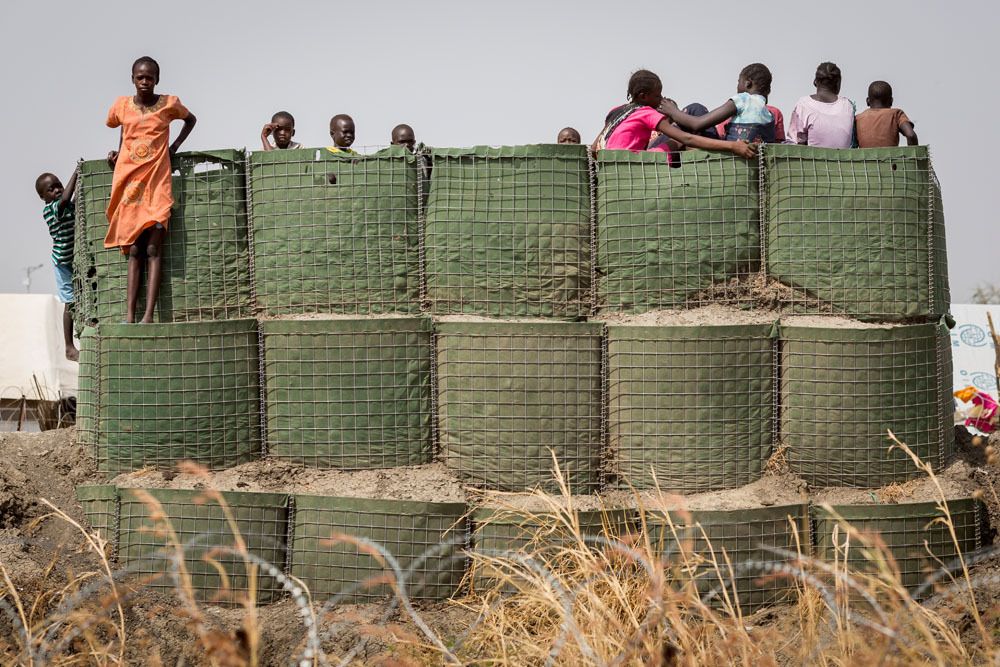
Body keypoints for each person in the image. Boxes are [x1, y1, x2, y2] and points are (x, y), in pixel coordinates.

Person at [105, 56, 196, 324]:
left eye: (150, 77)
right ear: (132, 79)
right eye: (140, 77)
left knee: (154, 249)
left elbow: (190, 120)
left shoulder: (169, 104)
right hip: (130, 183)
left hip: (157, 182)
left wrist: (175, 146)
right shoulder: (122, 105)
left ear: (157, 79)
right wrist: (119, 152)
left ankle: (148, 316)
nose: (145, 81)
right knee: (134, 250)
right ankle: (130, 315)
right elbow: (123, 130)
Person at [592, 70, 756, 159]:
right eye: (658, 96)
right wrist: (734, 146)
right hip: (635, 163)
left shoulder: (615, 111)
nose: (661, 99)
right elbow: (687, 138)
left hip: (612, 166)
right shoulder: (646, 112)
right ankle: (716, 156)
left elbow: (594, 148)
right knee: (683, 133)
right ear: (643, 96)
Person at [661, 64, 778, 143]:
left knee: (696, 109)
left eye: (739, 82)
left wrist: (673, 111)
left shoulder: (743, 99)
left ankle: (656, 149)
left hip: (731, 157)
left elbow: (697, 124)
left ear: (748, 83)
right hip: (755, 161)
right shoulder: (769, 114)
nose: (737, 86)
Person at [35, 169, 79, 361]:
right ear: (43, 197)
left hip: (74, 260)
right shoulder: (51, 209)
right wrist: (76, 174)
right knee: (70, 302)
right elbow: (64, 201)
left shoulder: (66, 205)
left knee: (79, 298)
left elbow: (75, 201)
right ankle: (69, 347)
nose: (57, 190)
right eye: (51, 189)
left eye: (59, 185)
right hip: (62, 263)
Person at [785, 62, 856, 148]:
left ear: (816, 82)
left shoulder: (804, 104)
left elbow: (794, 143)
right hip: (842, 161)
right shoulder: (848, 105)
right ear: (838, 83)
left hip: (813, 160)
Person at [855, 81, 918, 147]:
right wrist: (914, 157)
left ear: (867, 101)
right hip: (891, 157)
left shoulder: (858, 118)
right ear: (891, 101)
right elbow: (911, 135)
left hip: (866, 157)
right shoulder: (896, 114)